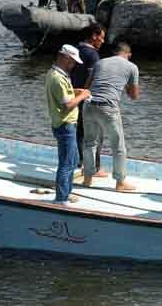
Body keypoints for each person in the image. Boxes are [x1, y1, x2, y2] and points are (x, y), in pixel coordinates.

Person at [81, 42, 140, 192]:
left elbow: (87, 87)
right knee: (118, 147)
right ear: (129, 54)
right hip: (108, 107)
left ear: (114, 52)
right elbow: (134, 96)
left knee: (89, 143)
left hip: (88, 105)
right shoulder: (132, 67)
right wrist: (125, 85)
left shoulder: (100, 62)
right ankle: (120, 183)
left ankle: (87, 179)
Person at [45, 45, 91, 204]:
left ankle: (66, 192)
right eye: (72, 61)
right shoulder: (58, 78)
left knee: (72, 159)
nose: (73, 65)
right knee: (67, 163)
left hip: (66, 124)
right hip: (65, 125)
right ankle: (61, 199)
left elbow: (64, 96)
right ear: (65, 58)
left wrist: (74, 91)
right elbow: (67, 105)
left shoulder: (57, 74)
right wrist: (83, 95)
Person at [70, 22, 106, 175]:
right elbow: (94, 79)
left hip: (74, 95)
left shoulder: (75, 50)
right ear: (94, 36)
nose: (103, 41)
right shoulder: (92, 54)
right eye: (101, 38)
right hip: (88, 97)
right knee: (94, 133)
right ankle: (94, 167)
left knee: (79, 131)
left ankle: (78, 163)